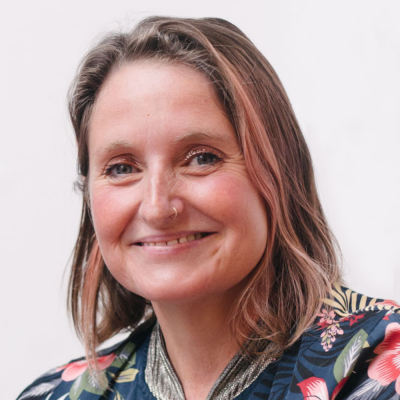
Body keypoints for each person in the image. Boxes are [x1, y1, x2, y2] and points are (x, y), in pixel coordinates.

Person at [18, 16, 399, 400]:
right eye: (121, 168)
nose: (156, 208)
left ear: (280, 172)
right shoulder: (55, 394)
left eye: (201, 158)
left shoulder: (379, 365)